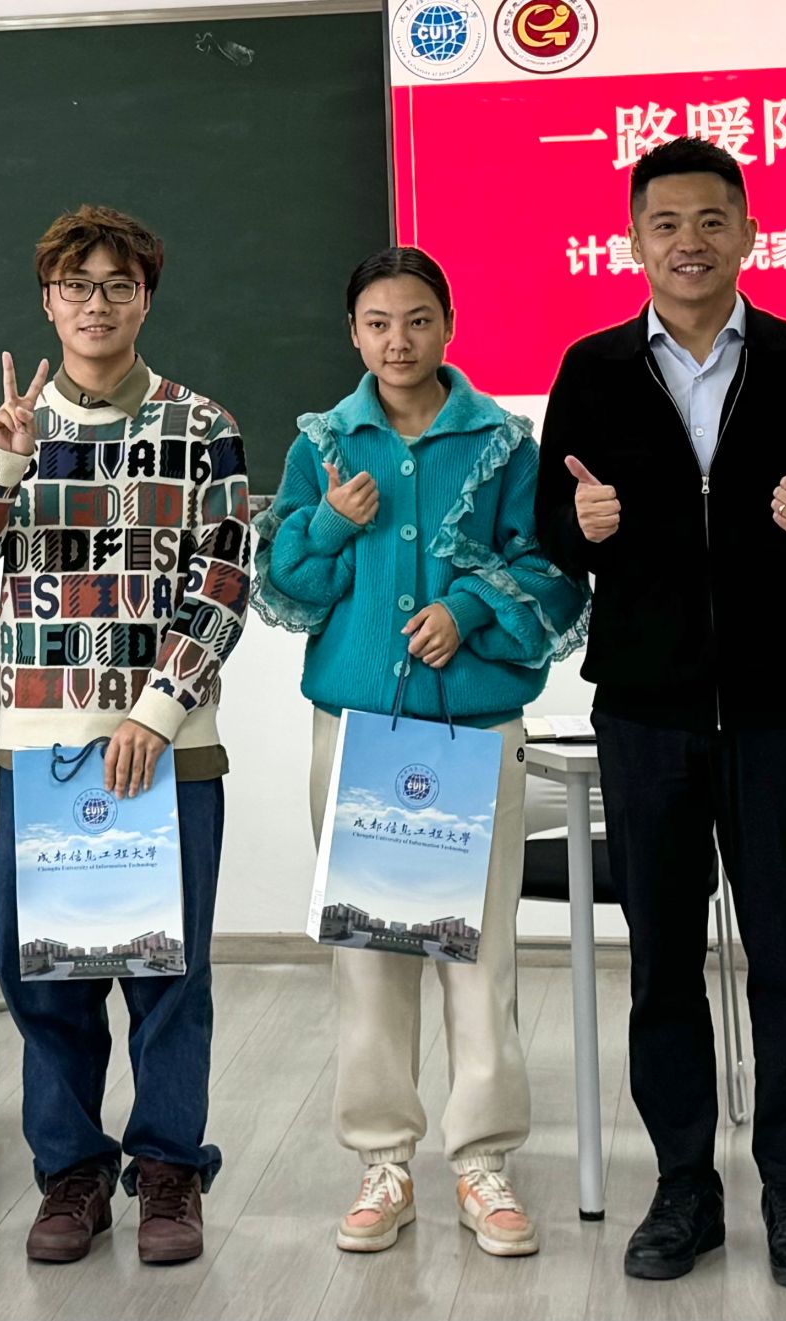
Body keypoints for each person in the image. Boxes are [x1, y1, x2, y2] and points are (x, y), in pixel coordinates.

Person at [533, 136, 786, 1290]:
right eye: (664, 222)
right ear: (632, 240)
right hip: (644, 710)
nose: (686, 240)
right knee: (661, 964)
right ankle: (682, 1186)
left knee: (785, 959)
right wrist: (578, 531)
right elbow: (548, 529)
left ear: (745, 231)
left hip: (776, 704)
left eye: (707, 219)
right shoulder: (590, 368)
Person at [0, 204, 251, 1265]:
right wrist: (0, 464)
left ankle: (168, 1171)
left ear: (144, 298)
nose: (96, 304)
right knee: (46, 977)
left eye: (118, 285)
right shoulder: (8, 429)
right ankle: (70, 1175)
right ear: (47, 302)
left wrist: (155, 713)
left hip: (170, 748)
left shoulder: (201, 425)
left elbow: (223, 581)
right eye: (77, 286)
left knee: (169, 977)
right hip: (42, 750)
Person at [254, 245, 587, 1258]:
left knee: (478, 957)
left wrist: (467, 608)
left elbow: (554, 569)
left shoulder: (503, 443)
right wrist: (327, 520)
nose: (397, 341)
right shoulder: (323, 444)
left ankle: (482, 1162)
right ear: (352, 335)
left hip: (472, 737)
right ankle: (382, 1162)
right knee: (367, 955)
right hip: (357, 735)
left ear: (448, 324)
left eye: (416, 320)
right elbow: (283, 584)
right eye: (376, 323)